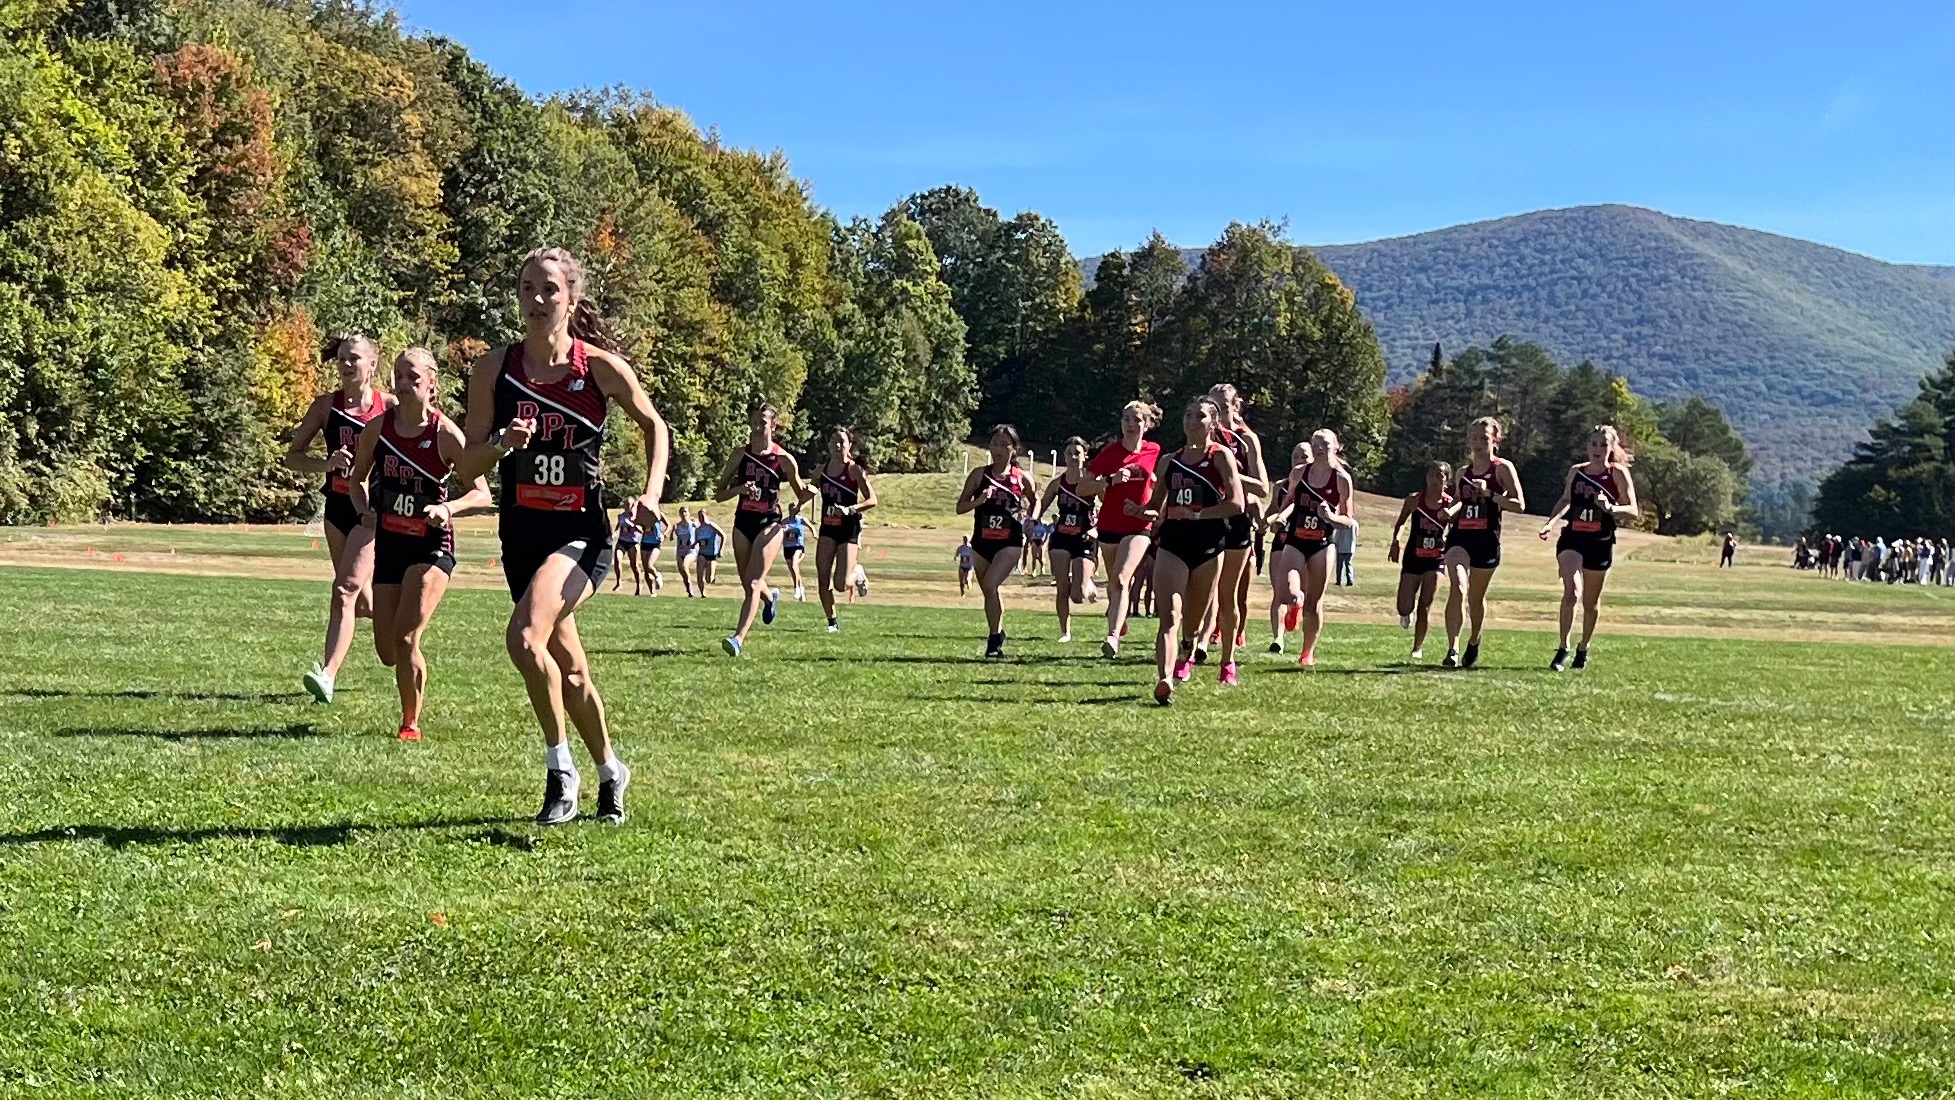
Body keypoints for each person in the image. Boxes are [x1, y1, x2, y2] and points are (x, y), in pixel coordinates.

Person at [457, 246, 668, 826]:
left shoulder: (599, 368)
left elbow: (655, 426)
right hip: (522, 535)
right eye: (527, 288)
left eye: (549, 288)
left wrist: (651, 495)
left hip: (582, 533)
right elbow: (467, 466)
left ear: (571, 298)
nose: (537, 299)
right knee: (570, 671)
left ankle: (561, 772)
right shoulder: (492, 370)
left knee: (525, 638)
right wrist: (502, 444)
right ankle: (611, 770)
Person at [346, 348, 492, 741]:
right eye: (398, 376)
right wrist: (364, 510)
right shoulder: (378, 429)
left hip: (431, 546)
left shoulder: (444, 433)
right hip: (390, 543)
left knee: (407, 637)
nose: (404, 384)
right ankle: (409, 686)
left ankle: (409, 723)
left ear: (432, 384)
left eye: (413, 377)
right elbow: (357, 479)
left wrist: (448, 508)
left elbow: (482, 492)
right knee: (388, 651)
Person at [287, 335, 395, 704]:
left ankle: (327, 675)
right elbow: (292, 457)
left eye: (355, 359)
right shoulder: (325, 406)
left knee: (344, 590)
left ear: (372, 365)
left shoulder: (389, 407)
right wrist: (326, 464)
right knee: (361, 602)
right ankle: (400, 633)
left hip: (371, 510)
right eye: (342, 359)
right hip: (337, 508)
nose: (347, 365)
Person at [1134, 396, 1245, 704]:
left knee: (1192, 625)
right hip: (1173, 544)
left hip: (1208, 547)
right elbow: (1156, 506)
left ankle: (1188, 647)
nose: (1192, 421)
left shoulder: (1220, 456)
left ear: (1213, 423)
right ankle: (1164, 679)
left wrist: (1197, 514)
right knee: (1169, 616)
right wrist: (1140, 511)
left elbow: (1236, 504)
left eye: (1200, 416)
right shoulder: (1170, 461)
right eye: (1187, 414)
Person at [716, 401, 816, 657]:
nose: (757, 426)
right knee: (748, 582)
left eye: (762, 421)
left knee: (752, 583)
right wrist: (740, 489)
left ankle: (738, 639)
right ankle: (770, 598)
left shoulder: (783, 459)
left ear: (774, 425)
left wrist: (810, 493)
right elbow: (719, 494)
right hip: (743, 521)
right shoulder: (739, 455)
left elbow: (800, 492)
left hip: (770, 523)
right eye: (754, 421)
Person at [1539, 424, 1640, 671]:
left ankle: (1583, 647)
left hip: (1600, 541)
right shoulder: (1577, 472)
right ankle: (1563, 647)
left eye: (1603, 444)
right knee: (1572, 591)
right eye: (1593, 444)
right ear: (1587, 446)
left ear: (1611, 447)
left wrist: (1611, 508)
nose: (1597, 449)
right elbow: (1566, 499)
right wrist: (1550, 523)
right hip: (1573, 538)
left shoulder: (1617, 473)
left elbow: (1633, 510)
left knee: (1590, 602)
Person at [1193, 384, 1270, 667]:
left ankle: (1229, 652)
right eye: (1212, 407)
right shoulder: (1201, 434)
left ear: (1235, 406)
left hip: (1236, 517)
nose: (1218, 414)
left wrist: (1229, 474)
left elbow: (1262, 487)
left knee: (1230, 592)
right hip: (1206, 516)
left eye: (1224, 407)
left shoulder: (1246, 438)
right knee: (1205, 587)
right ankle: (1199, 642)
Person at [1440, 416, 1525, 669]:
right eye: (1473, 438)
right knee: (1458, 587)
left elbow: (1519, 504)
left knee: (1475, 599)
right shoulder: (1462, 472)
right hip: (1460, 537)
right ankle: (1452, 649)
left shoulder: (1502, 468)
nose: (1477, 443)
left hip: (1486, 539)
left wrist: (1490, 494)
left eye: (1483, 438)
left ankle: (1474, 639)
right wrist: (1449, 511)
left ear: (1495, 440)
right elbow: (1459, 500)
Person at [1268, 429, 1356, 667]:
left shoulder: (1341, 479)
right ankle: (1296, 601)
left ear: (1335, 447)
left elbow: (1348, 520)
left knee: (1315, 602)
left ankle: (1307, 652)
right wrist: (1280, 518)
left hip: (1322, 544)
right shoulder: (1299, 473)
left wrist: (1330, 517)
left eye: (1324, 444)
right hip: (1296, 540)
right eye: (1315, 443)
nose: (1319, 448)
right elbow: (1290, 501)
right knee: (1285, 593)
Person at [1086, 402, 1163, 658]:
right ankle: (1120, 620)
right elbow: (1083, 487)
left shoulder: (1155, 451)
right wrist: (1110, 480)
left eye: (1137, 420)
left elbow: (1160, 484)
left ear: (1147, 425)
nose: (1130, 424)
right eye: (1126, 419)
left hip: (1139, 525)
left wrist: (1150, 497)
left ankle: (1112, 637)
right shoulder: (1110, 452)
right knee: (1115, 584)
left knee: (1121, 578)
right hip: (1109, 524)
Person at [955, 424, 1035, 658]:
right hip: (982, 541)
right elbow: (960, 507)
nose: (998, 449)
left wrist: (1032, 518)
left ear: (1014, 449)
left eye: (1003, 445)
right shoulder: (979, 475)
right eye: (994, 444)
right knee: (990, 591)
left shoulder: (1021, 478)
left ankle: (992, 642)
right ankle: (997, 633)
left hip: (1009, 542)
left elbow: (1035, 500)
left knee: (990, 585)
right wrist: (978, 501)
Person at [1035, 436, 1100, 644]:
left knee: (1077, 595)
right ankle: (1065, 632)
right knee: (1062, 587)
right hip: (1061, 536)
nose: (1073, 456)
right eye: (1069, 453)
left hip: (1084, 537)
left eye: (1077, 453)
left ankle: (1086, 583)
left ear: (1085, 455)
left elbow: (1109, 508)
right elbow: (1041, 506)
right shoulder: (1058, 483)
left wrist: (1096, 530)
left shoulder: (1092, 481)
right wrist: (1031, 520)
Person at [814, 427, 878, 633]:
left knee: (841, 584)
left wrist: (850, 509)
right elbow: (811, 489)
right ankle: (832, 622)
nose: (837, 445)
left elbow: (872, 500)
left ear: (849, 445)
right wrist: (798, 505)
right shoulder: (822, 469)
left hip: (848, 528)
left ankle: (857, 573)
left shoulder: (854, 470)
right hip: (827, 527)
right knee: (822, 577)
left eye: (841, 441)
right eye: (833, 440)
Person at [1388, 461, 1452, 661]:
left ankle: (1417, 647)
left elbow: (1456, 530)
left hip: (1436, 559)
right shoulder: (1414, 500)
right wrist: (1396, 542)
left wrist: (1449, 542)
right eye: (1432, 474)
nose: (1435, 479)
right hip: (1414, 556)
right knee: (1404, 606)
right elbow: (1401, 522)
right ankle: (1406, 613)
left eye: (1440, 475)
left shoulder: (1450, 505)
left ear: (1447, 481)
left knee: (1425, 604)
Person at [1264, 442, 1308, 647]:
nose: (1298, 460)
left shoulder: (1315, 486)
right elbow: (1274, 508)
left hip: (1306, 543)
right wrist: (1264, 521)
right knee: (1279, 592)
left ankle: (1297, 606)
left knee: (1300, 591)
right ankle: (1278, 639)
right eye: (1295, 456)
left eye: (1304, 456)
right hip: (1281, 541)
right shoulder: (1280, 486)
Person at [782, 501, 810, 603]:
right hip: (787, 547)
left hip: (798, 547)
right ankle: (801, 588)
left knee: (794, 565)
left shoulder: (801, 520)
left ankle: (797, 588)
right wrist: (783, 530)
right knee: (793, 570)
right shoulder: (785, 521)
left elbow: (811, 526)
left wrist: (815, 534)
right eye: (793, 507)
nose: (795, 509)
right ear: (790, 509)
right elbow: (778, 530)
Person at [694, 510, 726, 592]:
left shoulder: (712, 526)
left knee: (708, 579)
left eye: (702, 515)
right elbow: (696, 542)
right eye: (699, 516)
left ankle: (712, 574)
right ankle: (703, 594)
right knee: (699, 575)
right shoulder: (698, 530)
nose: (701, 518)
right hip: (702, 553)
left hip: (711, 554)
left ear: (706, 515)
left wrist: (721, 550)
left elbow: (724, 536)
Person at [611, 506, 641, 593]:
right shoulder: (621, 516)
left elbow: (641, 530)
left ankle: (638, 586)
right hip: (622, 541)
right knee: (617, 560)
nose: (628, 507)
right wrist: (615, 533)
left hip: (633, 543)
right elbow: (618, 526)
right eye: (626, 504)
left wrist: (631, 524)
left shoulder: (637, 517)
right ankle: (619, 583)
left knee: (634, 566)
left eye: (630, 505)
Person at [671, 507, 699, 596]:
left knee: (684, 566)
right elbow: (672, 538)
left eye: (685, 512)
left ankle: (690, 587)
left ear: (689, 513)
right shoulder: (678, 526)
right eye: (682, 512)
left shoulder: (693, 524)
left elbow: (700, 531)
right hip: (680, 551)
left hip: (691, 550)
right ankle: (688, 589)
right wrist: (672, 530)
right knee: (682, 572)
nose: (684, 514)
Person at [638, 510, 665, 595]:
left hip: (655, 543)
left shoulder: (659, 514)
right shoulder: (643, 515)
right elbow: (639, 526)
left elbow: (669, 525)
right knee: (646, 569)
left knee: (650, 565)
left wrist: (664, 535)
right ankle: (652, 592)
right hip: (645, 542)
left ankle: (657, 576)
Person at [1333, 514, 1359, 586]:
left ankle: (1339, 580)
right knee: (1349, 564)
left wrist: (1335, 542)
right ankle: (1350, 580)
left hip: (1341, 547)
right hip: (1350, 547)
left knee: (1339, 565)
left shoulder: (1341, 523)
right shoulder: (1355, 523)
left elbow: (1337, 535)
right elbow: (1357, 534)